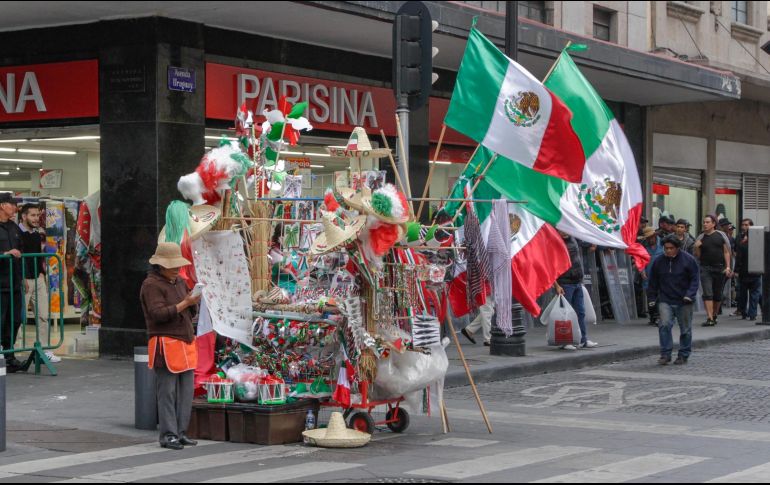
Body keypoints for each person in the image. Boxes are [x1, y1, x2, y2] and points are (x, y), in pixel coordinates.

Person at [140, 242, 201, 450]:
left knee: (186, 392)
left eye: (177, 264)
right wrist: (185, 303)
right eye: (172, 265)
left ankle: (181, 432)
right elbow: (157, 314)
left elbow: (189, 313)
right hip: (165, 343)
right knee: (167, 392)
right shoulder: (151, 285)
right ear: (160, 266)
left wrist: (192, 303)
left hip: (185, 341)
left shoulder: (180, 282)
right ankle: (168, 434)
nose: (176, 268)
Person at [647, 235, 700, 365]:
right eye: (666, 248)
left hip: (684, 300)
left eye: (671, 248)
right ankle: (665, 354)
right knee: (664, 325)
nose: (668, 251)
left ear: (677, 248)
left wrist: (689, 294)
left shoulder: (688, 260)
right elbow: (653, 281)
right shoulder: (659, 261)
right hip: (665, 299)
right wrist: (652, 297)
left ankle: (683, 354)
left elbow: (695, 279)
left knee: (685, 329)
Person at [18, 203, 60, 363]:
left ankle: (44, 350)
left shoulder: (37, 235)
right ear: (24, 216)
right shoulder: (16, 233)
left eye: (37, 215)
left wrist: (42, 274)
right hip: (24, 280)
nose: (36, 218)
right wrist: (21, 277)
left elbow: (39, 257)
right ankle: (11, 351)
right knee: (18, 318)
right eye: (33, 215)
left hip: (38, 279)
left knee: (43, 315)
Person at [553, 231, 597, 350]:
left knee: (580, 312)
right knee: (565, 314)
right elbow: (550, 267)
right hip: (565, 283)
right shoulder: (555, 242)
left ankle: (583, 339)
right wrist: (556, 285)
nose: (565, 231)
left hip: (577, 282)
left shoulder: (573, 239)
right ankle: (565, 341)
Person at [694, 215, 732, 327]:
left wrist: (728, 266)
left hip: (720, 268)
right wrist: (696, 247)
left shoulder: (721, 235)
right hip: (705, 268)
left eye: (707, 222)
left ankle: (714, 314)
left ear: (713, 224)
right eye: (704, 222)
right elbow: (698, 256)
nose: (705, 224)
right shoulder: (701, 237)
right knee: (707, 293)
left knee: (717, 294)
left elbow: (726, 252)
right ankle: (710, 317)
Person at [0, 194, 23, 373]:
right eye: (12, 204)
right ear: (2, 205)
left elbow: (20, 252)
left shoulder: (14, 227)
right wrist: (5, 253)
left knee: (14, 320)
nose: (15, 207)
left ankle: (9, 355)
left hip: (14, 283)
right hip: (0, 284)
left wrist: (22, 278)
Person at [734, 218, 761, 321]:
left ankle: (745, 312)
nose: (744, 227)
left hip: (747, 272)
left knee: (745, 294)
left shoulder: (742, 243)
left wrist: (736, 270)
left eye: (746, 225)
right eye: (743, 225)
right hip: (752, 271)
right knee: (751, 294)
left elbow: (738, 258)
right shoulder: (758, 242)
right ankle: (751, 313)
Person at [639, 227, 663, 326]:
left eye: (651, 238)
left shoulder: (662, 244)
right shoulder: (643, 246)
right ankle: (653, 316)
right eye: (647, 238)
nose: (649, 240)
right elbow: (639, 260)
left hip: (661, 275)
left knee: (660, 296)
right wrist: (642, 271)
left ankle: (658, 316)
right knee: (650, 296)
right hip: (648, 274)